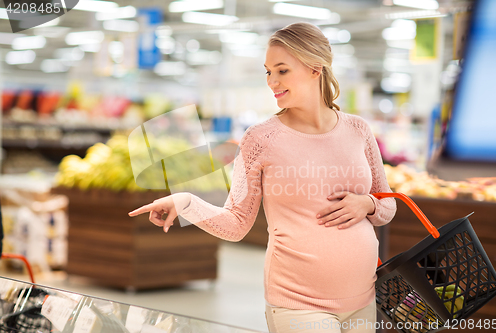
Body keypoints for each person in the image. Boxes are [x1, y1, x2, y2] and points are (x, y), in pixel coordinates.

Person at [129, 22, 396, 333]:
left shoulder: (358, 130)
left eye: (282, 71)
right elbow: (236, 223)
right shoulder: (261, 138)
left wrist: (367, 204)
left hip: (363, 298)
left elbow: (388, 206)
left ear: (315, 68)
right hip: (299, 303)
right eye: (268, 71)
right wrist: (186, 202)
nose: (272, 81)